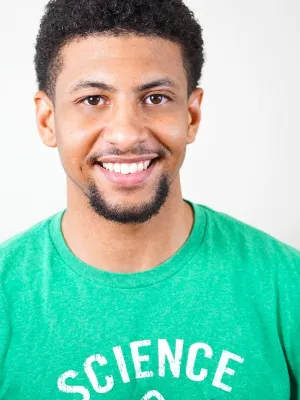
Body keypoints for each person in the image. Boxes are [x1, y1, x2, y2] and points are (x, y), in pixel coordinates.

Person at [0, 0, 299, 398]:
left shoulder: (286, 285)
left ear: (191, 116)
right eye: (93, 100)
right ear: (47, 120)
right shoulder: (8, 296)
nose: (125, 135)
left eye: (155, 98)